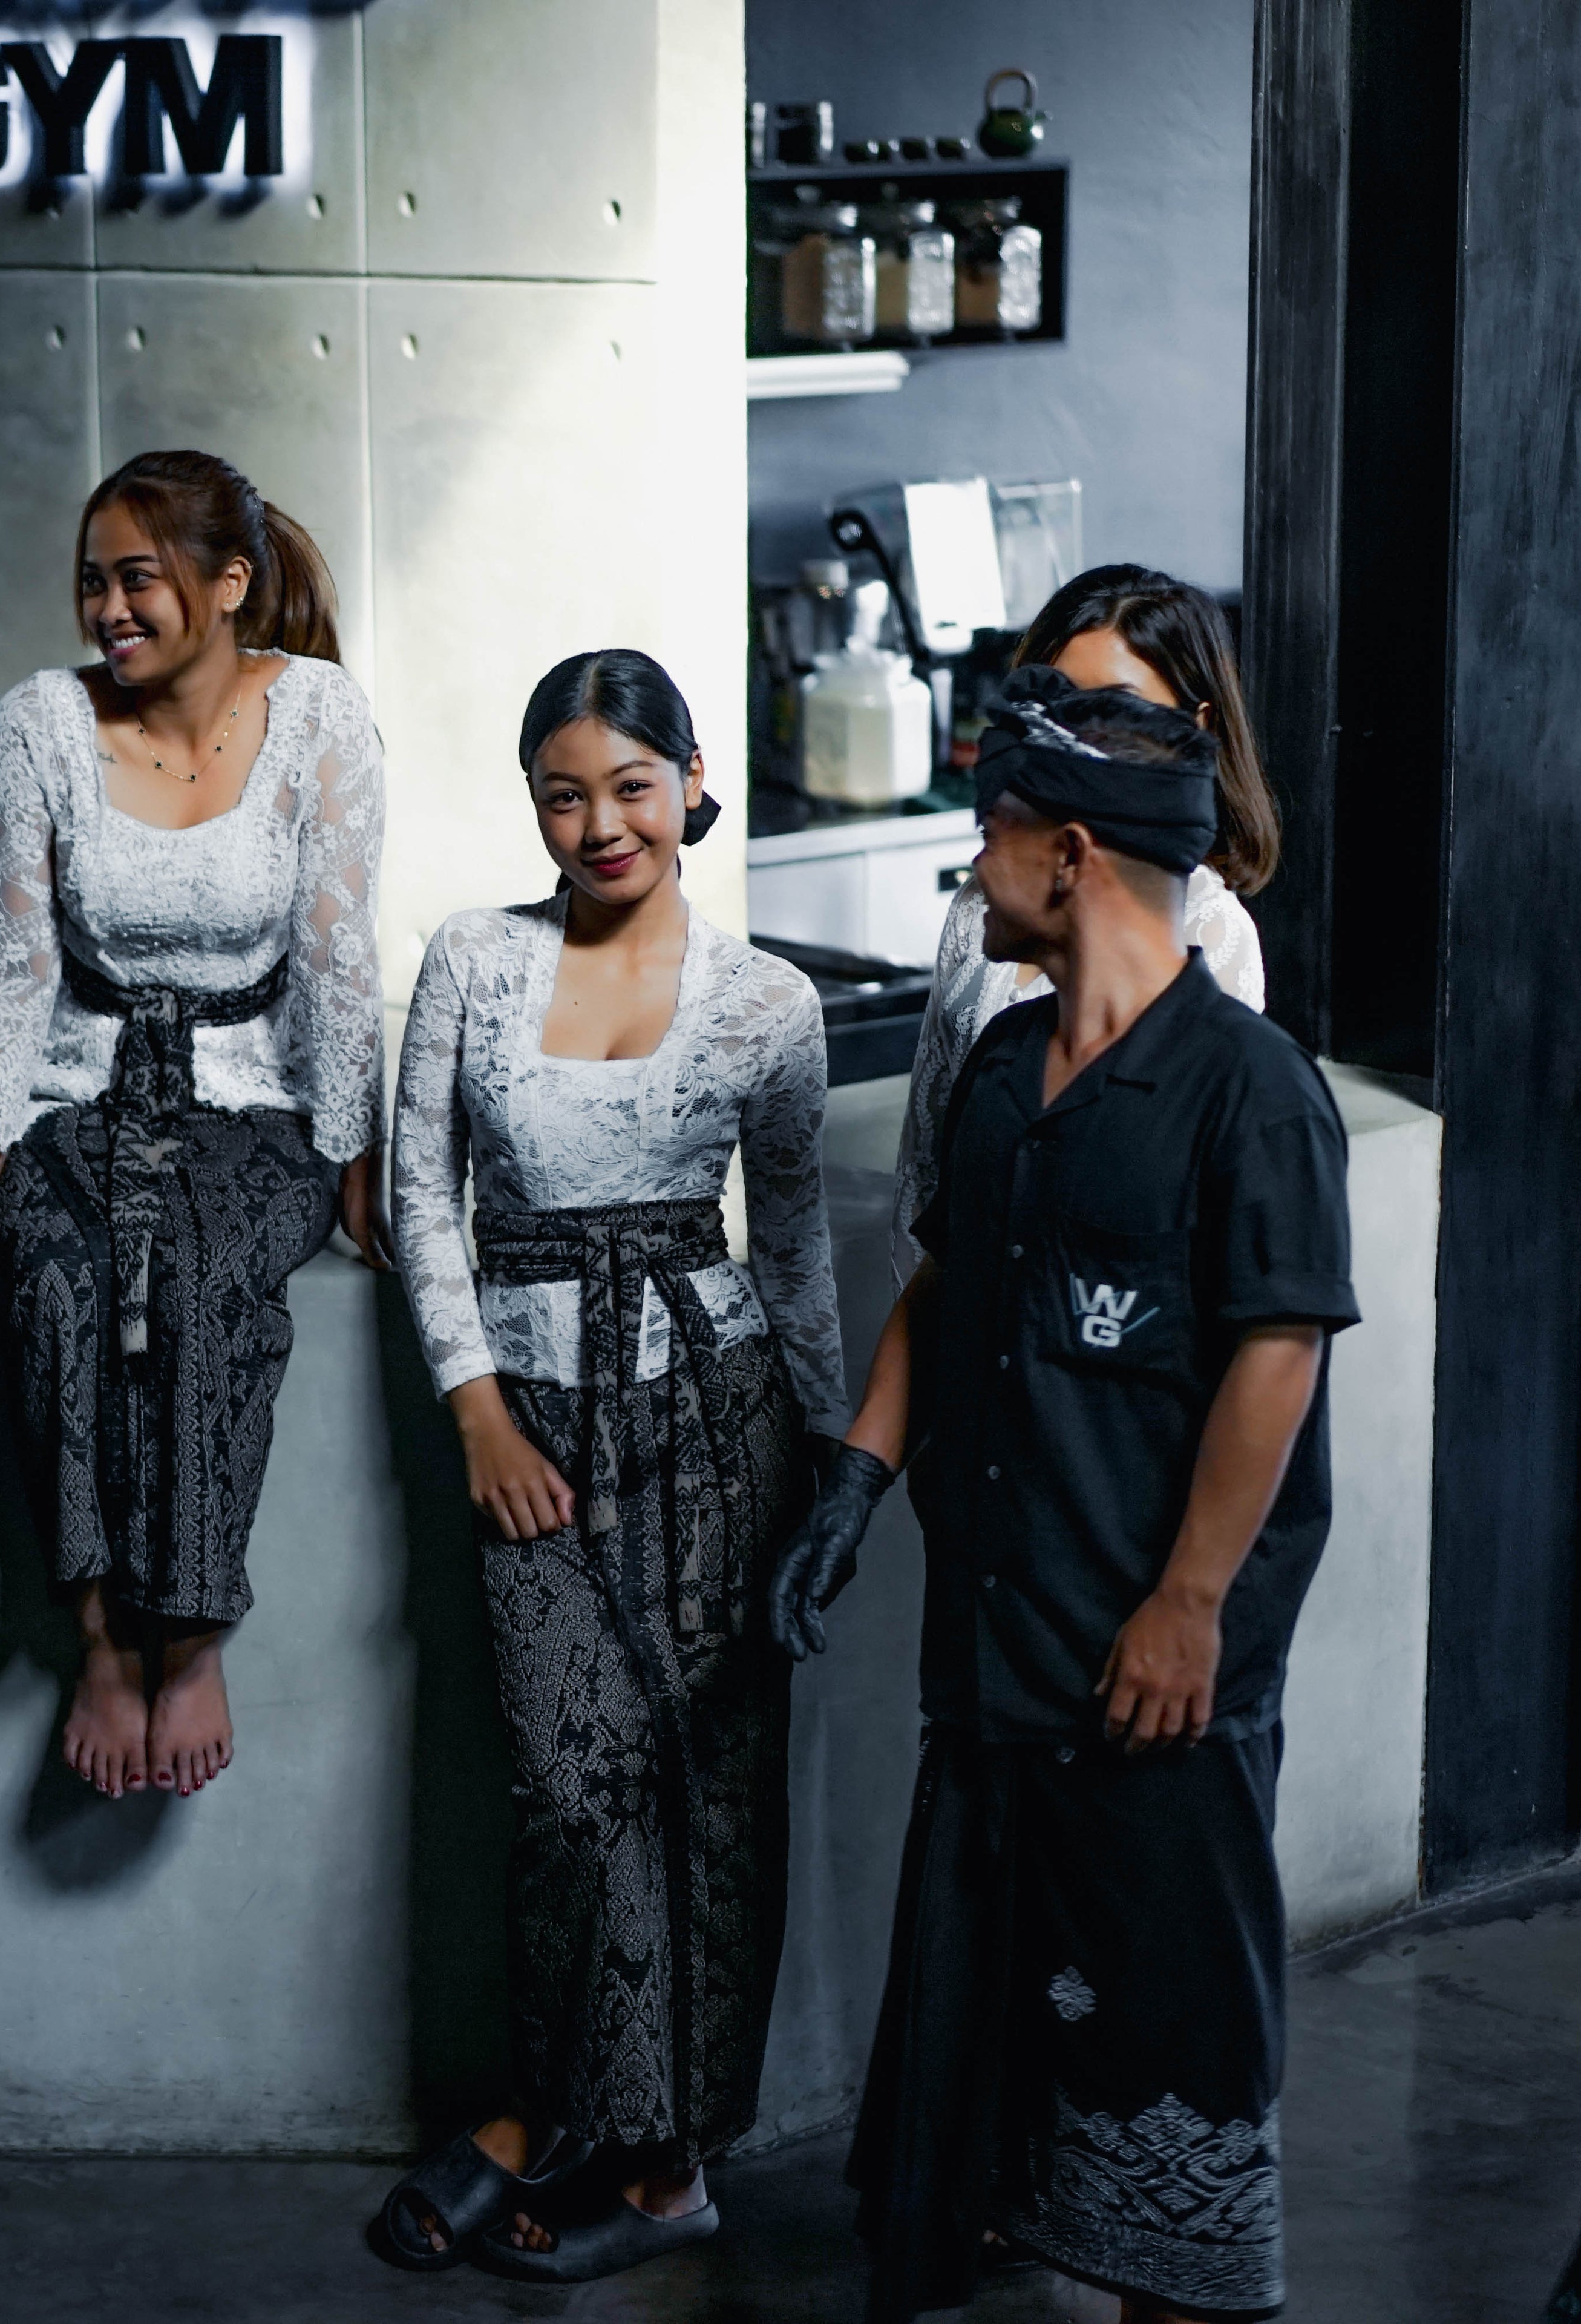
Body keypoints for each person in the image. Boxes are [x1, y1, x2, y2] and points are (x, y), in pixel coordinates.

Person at [776, 666, 1359, 2324]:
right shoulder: (1004, 1063)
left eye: (990, 835)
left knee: (1173, 2042)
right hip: (997, 1655)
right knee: (987, 2061)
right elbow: (943, 1285)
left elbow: (1276, 1352)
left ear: (1073, 853)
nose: (971, 868)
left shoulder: (1250, 1090)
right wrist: (855, 1479)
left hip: (1149, 1674)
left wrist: (1185, 1603)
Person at [371, 652, 846, 2285]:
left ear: (691, 783)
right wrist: (477, 1412)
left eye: (630, 787)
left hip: (718, 1421)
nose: (598, 825)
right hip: (533, 1426)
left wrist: (834, 1464)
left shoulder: (767, 1002)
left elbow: (792, 1247)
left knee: (710, 1790)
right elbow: (419, 1200)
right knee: (567, 1794)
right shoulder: (473, 958)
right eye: (562, 795)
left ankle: (666, 2169)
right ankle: (551, 2115)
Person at [0, 448, 388, 1800]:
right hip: (83, 1089)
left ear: (230, 584)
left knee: (206, 1273)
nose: (106, 611)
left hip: (257, 1097)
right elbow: (15, 959)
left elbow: (339, 956)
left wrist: (357, 1157)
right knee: (58, 1283)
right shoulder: (38, 724)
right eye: (91, 582)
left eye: (138, 579)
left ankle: (193, 1631)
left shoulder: (321, 716)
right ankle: (104, 1635)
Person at [894, 565, 1278, 1267]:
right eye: (1059, 710)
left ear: (1195, 730)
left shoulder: (1213, 934)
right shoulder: (982, 906)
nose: (1079, 742)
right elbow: (929, 1164)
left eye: (1117, 710)